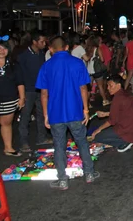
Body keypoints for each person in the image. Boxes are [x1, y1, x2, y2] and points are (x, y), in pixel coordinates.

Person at [36, 36, 98, 189]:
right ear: (67, 47)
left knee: (59, 145)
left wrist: (45, 115)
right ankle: (89, 173)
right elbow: (84, 89)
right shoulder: (77, 63)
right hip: (75, 111)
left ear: (50, 49)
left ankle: (62, 179)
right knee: (82, 141)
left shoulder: (46, 66)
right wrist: (86, 109)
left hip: (55, 113)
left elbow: (44, 94)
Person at [89, 74, 133, 152]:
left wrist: (98, 130)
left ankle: (123, 143)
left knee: (97, 136)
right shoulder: (125, 93)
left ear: (118, 85)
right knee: (102, 128)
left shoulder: (118, 97)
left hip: (129, 131)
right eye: (107, 85)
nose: (108, 88)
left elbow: (112, 121)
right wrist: (106, 114)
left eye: (111, 86)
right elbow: (121, 112)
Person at [17, 30, 50, 152]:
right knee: (25, 115)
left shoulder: (42, 54)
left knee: (42, 113)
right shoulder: (23, 56)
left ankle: (41, 137)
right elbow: (19, 74)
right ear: (34, 42)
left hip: (40, 89)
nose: (44, 44)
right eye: (42, 41)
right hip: (28, 89)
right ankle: (23, 142)